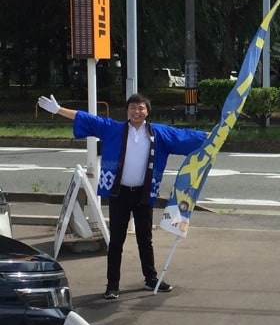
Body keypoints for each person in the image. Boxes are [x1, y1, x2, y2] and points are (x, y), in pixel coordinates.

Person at [38, 93, 207, 300]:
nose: (137, 112)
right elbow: (89, 119)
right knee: (116, 240)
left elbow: (185, 136)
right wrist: (58, 110)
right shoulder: (114, 129)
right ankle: (112, 285)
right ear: (127, 111)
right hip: (119, 192)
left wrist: (216, 135)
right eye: (133, 108)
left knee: (145, 239)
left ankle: (150, 278)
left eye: (141, 108)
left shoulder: (159, 133)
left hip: (144, 193)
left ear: (147, 111)